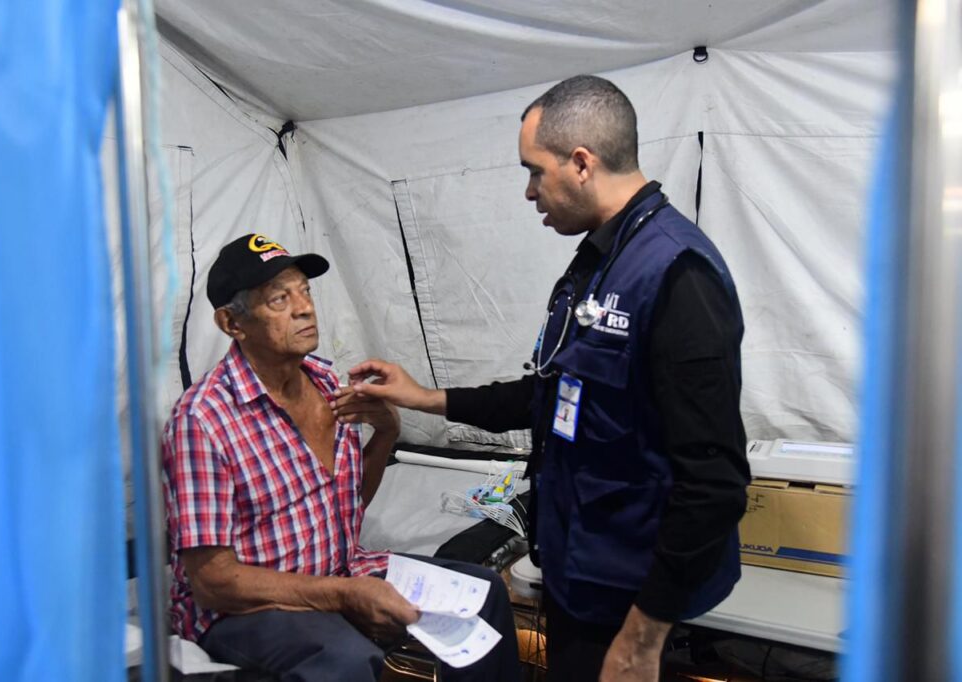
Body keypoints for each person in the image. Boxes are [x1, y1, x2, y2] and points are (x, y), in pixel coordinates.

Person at [333, 75, 750, 682]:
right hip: (581, 567)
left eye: (534, 170)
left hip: (627, 590)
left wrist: (642, 637)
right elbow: (553, 396)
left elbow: (714, 482)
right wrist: (424, 397)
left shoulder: (675, 275)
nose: (529, 191)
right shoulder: (600, 261)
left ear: (581, 162)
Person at [161, 233, 520, 682]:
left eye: (305, 291)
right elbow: (213, 582)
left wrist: (387, 432)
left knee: (483, 594)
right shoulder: (203, 421)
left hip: (340, 568)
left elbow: (345, 507)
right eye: (279, 299)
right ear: (233, 323)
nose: (304, 308)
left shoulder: (329, 386)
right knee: (345, 659)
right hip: (247, 608)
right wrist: (344, 595)